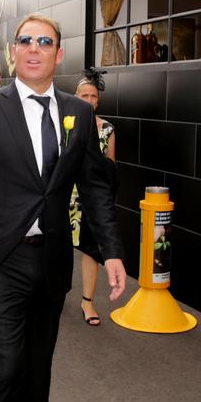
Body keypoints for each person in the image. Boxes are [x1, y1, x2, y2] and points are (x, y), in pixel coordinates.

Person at [0, 13, 126, 402]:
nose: (34, 48)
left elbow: (94, 188)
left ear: (58, 55)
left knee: (38, 370)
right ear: (13, 52)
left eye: (44, 42)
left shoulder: (78, 112)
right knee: (4, 366)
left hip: (52, 260)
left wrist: (111, 251)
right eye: (25, 40)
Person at [69, 68, 116, 326]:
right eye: (84, 95)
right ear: (75, 97)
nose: (89, 100)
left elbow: (111, 166)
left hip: (90, 198)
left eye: (93, 96)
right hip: (64, 195)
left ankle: (87, 301)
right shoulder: (62, 123)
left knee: (90, 249)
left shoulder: (107, 129)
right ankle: (54, 292)